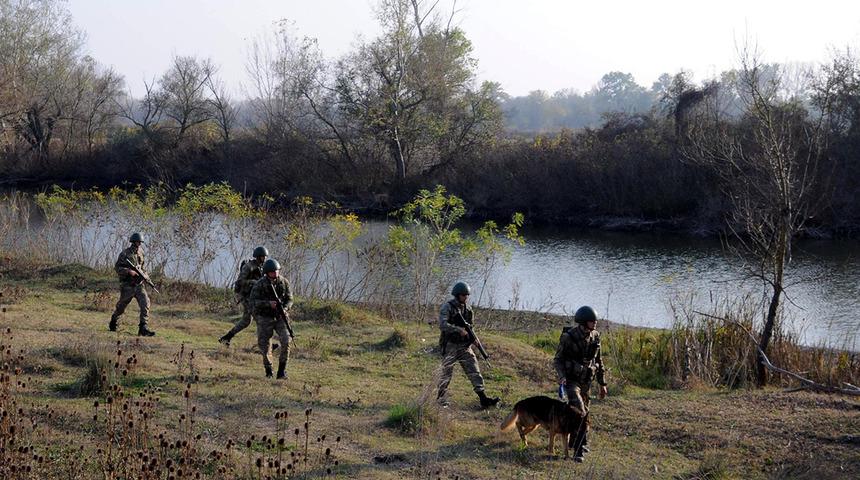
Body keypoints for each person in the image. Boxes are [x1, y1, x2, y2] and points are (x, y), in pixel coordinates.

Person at [553, 305, 608, 462]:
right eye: (592, 321)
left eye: (595, 321)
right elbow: (558, 360)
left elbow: (599, 361)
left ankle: (576, 441)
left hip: (586, 381)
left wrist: (602, 384)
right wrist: (562, 376)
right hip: (571, 381)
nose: (595, 323)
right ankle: (578, 450)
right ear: (583, 322)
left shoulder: (595, 336)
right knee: (580, 411)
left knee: (585, 413)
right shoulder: (568, 337)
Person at [436, 281, 500, 409]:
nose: (466, 297)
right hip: (450, 345)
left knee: (474, 370)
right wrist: (458, 330)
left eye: (467, 295)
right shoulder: (447, 307)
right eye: (464, 295)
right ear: (457, 295)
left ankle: (483, 398)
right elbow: (442, 325)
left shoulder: (468, 309)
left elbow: (470, 327)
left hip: (464, 346)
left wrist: (474, 339)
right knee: (446, 373)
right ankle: (441, 398)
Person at [248, 259, 293, 379]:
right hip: (264, 317)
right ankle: (269, 370)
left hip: (280, 317)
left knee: (286, 340)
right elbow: (252, 302)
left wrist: (284, 308)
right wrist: (268, 304)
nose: (275, 273)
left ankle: (282, 371)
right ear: (267, 273)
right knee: (265, 345)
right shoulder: (259, 284)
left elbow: (290, 299)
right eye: (273, 272)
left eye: (277, 271)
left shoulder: (284, 282)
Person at [219, 246, 268, 346]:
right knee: (260, 319)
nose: (265, 258)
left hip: (254, 296)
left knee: (246, 321)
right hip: (245, 296)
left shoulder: (262, 267)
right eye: (263, 256)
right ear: (258, 257)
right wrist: (253, 282)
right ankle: (265, 344)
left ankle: (226, 338)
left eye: (265, 257)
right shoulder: (249, 267)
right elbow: (240, 281)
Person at [109, 233, 156, 336]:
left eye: (140, 242)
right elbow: (117, 268)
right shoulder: (124, 254)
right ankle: (114, 320)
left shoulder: (141, 253)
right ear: (133, 242)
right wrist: (129, 271)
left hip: (139, 285)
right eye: (138, 242)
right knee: (121, 307)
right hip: (128, 285)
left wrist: (146, 277)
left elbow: (143, 268)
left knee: (145, 304)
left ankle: (143, 328)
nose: (139, 244)